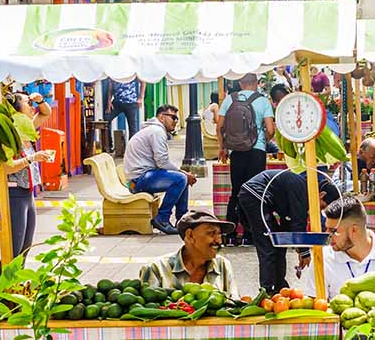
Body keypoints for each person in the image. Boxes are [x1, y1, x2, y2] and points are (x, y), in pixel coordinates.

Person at [236, 169, 339, 293]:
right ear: (321, 195)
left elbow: (289, 225)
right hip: (255, 194)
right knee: (267, 245)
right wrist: (304, 252)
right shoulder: (303, 190)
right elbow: (298, 222)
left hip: (259, 196)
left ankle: (280, 286)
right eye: (322, 206)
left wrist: (300, 248)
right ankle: (267, 290)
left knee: (279, 246)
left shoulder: (301, 190)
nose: (318, 210)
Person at [300, 198, 375, 302]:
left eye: (333, 231)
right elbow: (317, 307)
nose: (327, 235)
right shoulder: (322, 258)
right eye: (326, 229)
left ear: (354, 230)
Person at [218, 73, 277, 245]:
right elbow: (270, 130)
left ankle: (230, 234)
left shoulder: (230, 99)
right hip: (256, 151)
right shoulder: (263, 101)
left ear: (240, 83)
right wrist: (262, 141)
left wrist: (222, 148)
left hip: (236, 150)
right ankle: (251, 234)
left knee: (236, 191)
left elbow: (220, 127)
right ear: (256, 83)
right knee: (255, 192)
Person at [124, 105, 196, 235]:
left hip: (144, 176)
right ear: (162, 117)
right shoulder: (156, 132)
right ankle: (162, 219)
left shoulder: (155, 130)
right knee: (180, 178)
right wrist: (184, 173)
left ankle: (182, 220)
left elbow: (162, 162)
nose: (175, 121)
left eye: (177, 118)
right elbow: (162, 162)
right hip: (138, 180)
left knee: (181, 178)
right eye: (173, 117)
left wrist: (183, 174)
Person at [3, 92, 56, 256]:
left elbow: (46, 113)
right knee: (14, 250)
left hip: (28, 194)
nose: (32, 107)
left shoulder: (26, 129)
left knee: (25, 248)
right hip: (14, 193)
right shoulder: (10, 136)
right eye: (28, 103)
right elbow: (6, 168)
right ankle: (4, 275)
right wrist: (32, 158)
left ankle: (19, 274)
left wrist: (40, 100)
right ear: (16, 108)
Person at [139, 210, 239, 295]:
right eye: (211, 233)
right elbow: (148, 307)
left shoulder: (223, 265)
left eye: (219, 234)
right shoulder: (156, 269)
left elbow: (234, 302)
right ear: (190, 235)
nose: (219, 241)